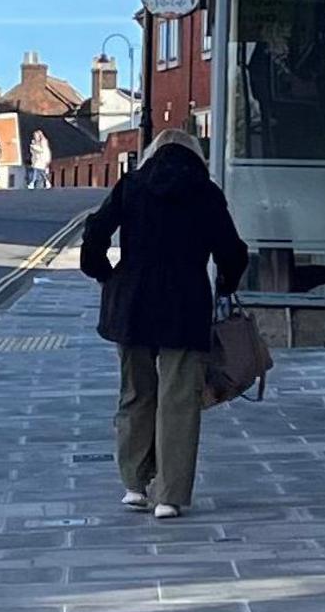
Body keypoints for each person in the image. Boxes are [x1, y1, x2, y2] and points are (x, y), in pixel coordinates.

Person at [79, 129, 248, 520]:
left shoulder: (132, 184)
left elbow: (95, 231)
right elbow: (231, 250)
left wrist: (104, 273)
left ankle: (134, 486)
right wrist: (226, 284)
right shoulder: (205, 192)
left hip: (133, 299)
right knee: (179, 400)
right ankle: (170, 496)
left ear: (154, 152)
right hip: (184, 302)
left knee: (135, 392)